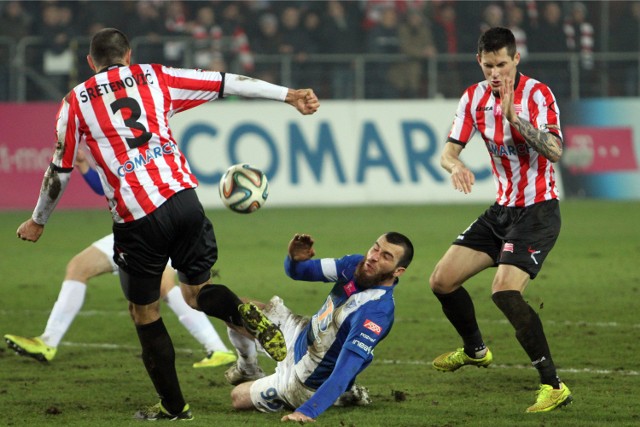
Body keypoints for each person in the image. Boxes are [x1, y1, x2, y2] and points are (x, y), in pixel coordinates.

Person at [16, 27, 319, 421]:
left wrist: (39, 221)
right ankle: (244, 314)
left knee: (145, 312)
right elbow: (228, 82)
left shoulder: (74, 103)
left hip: (138, 218)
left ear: (90, 62)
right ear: (129, 54)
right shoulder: (155, 76)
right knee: (198, 292)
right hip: (184, 200)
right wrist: (290, 95)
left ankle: (174, 407)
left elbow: (61, 168)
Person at [429, 27, 572, 413]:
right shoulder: (473, 98)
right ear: (480, 61)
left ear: (516, 60)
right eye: (489, 65)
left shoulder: (538, 95)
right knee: (442, 281)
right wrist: (454, 164)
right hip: (502, 211)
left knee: (504, 291)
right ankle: (476, 350)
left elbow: (555, 150)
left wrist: (514, 119)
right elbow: (447, 152)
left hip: (538, 210)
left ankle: (553, 385)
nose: (496, 74)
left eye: (503, 65)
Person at [5, 150, 236, 369]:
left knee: (165, 286)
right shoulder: (124, 146)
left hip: (155, 226)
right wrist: (85, 165)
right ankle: (48, 342)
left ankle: (216, 348)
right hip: (129, 233)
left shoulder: (137, 150)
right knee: (79, 266)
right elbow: (105, 187)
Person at [224, 232, 414, 423]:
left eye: (386, 256)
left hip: (304, 379)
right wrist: (294, 260)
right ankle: (247, 367)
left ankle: (337, 395)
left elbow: (345, 370)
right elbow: (300, 272)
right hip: (301, 334)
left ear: (398, 271)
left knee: (238, 397)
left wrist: (307, 411)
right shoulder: (355, 265)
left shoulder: (376, 313)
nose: (374, 256)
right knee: (237, 308)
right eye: (375, 248)